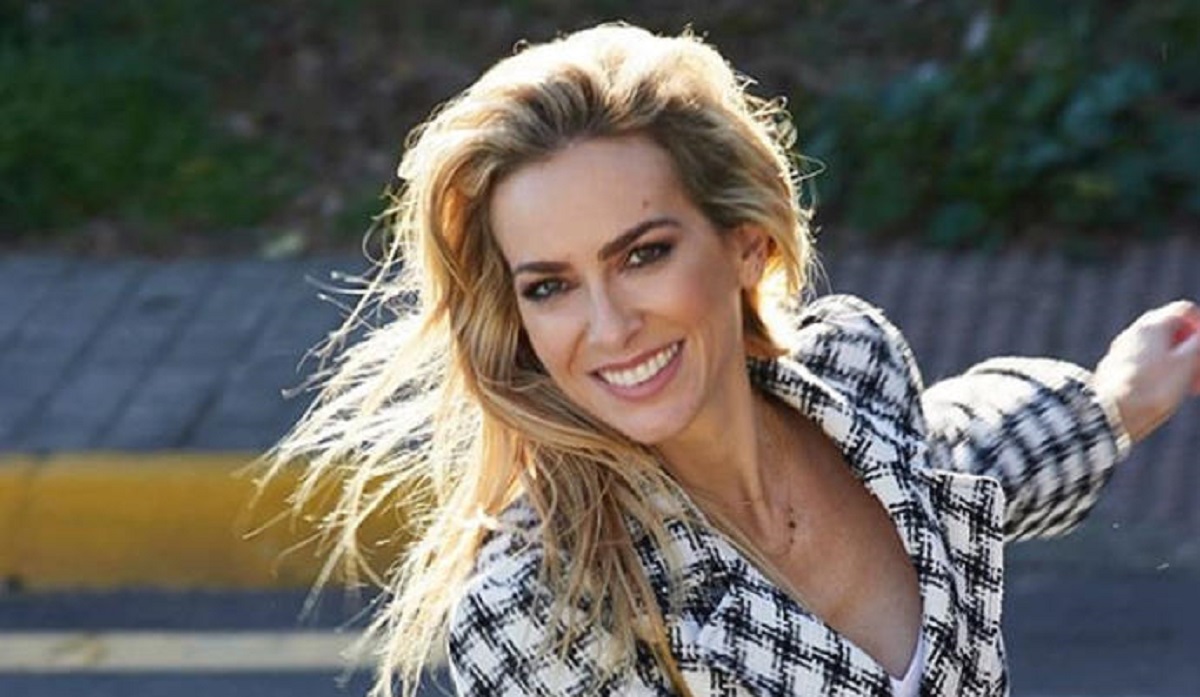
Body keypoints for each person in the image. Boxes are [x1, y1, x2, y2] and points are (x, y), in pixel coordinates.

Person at [265, 23, 1200, 697]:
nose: (609, 326)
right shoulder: (540, 610)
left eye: (643, 255)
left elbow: (959, 462)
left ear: (746, 243)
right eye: (550, 285)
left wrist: (1112, 402)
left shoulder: (853, 367)